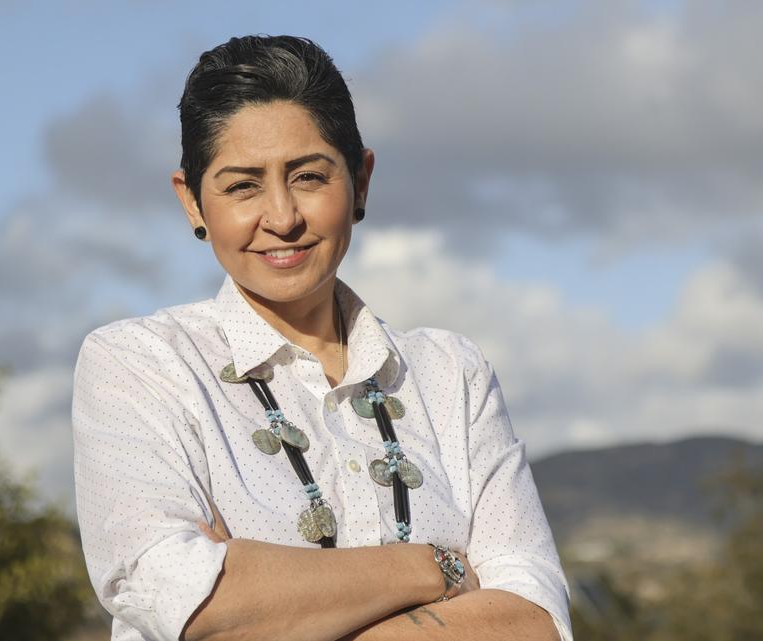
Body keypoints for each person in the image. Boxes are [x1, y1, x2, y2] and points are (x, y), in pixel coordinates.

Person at [71, 35, 571, 641]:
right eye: (241, 186)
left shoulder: (451, 374)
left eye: (308, 176)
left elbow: (535, 621)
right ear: (191, 201)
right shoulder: (141, 365)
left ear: (360, 181)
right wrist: (438, 567)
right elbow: (185, 601)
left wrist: (272, 597)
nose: (282, 217)